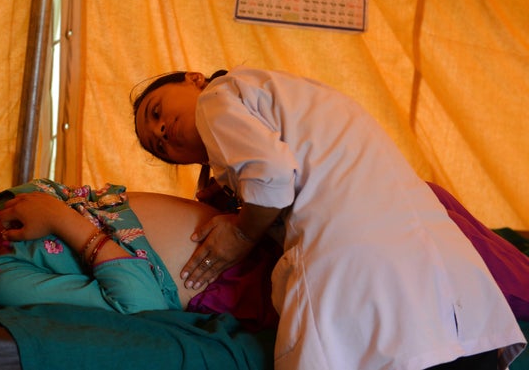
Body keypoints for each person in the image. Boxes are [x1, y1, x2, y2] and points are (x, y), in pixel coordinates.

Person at [131, 66, 527, 369]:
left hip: (371, 280)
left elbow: (270, 177)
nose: (162, 131)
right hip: (450, 287)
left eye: (156, 112)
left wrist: (240, 234)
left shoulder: (216, 98)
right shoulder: (283, 97)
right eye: (159, 146)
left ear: (194, 79)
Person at [0, 179, 281, 331]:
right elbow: (139, 307)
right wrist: (62, 219)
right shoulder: (5, 283)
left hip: (248, 236)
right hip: (235, 282)